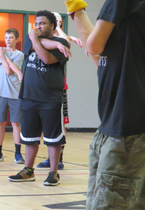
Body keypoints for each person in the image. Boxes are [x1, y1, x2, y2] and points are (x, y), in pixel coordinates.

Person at [65, 0, 145, 208]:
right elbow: (101, 60)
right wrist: (77, 9)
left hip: (124, 134)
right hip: (124, 129)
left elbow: (93, 47)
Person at [8, 10, 70, 186]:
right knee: (29, 137)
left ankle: (53, 172)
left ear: (53, 25)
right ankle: (28, 170)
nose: (38, 26)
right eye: (36, 23)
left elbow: (45, 58)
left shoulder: (62, 42)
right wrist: (36, 39)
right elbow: (36, 42)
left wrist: (39, 40)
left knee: (53, 138)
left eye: (42, 23)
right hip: (28, 96)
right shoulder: (31, 38)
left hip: (50, 97)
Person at [37, 12, 83, 170]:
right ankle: (50, 158)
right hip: (42, 89)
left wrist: (64, 31)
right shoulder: (46, 38)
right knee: (46, 126)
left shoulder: (61, 38)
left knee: (60, 125)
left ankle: (59, 159)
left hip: (59, 89)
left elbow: (64, 40)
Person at [0, 28, 25, 164]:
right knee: (0, 123)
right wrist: (2, 55)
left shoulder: (19, 54)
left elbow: (8, 70)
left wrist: (3, 55)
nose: (8, 40)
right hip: (1, 92)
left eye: (11, 37)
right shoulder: (0, 51)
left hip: (15, 93)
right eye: (6, 37)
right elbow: (9, 70)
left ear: (16, 39)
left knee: (15, 123)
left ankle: (18, 153)